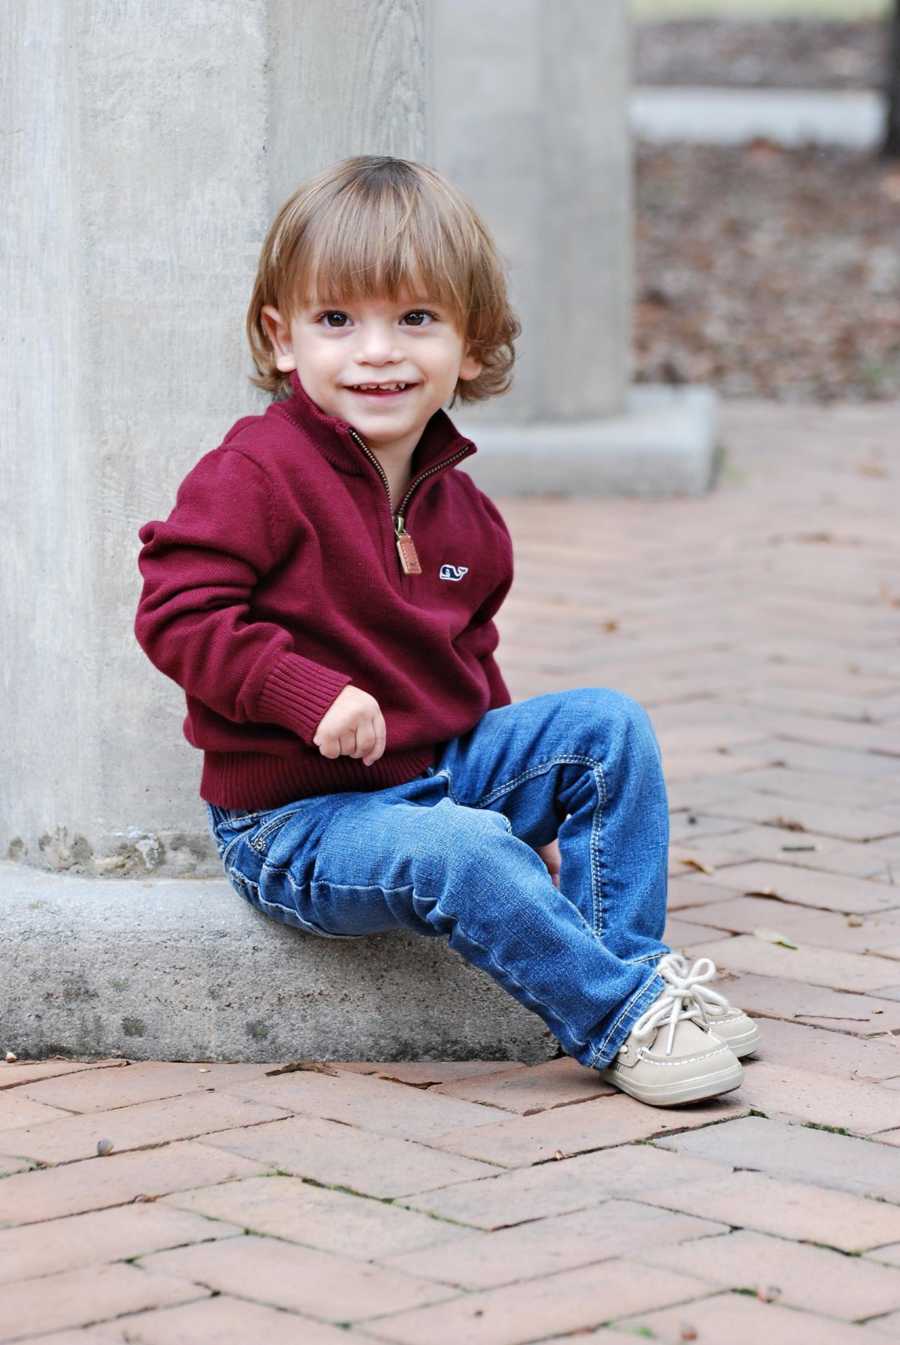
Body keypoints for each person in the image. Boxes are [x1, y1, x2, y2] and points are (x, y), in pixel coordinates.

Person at [134, 154, 759, 1107]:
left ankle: (633, 972)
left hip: (436, 774)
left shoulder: (465, 515)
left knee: (606, 728)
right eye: (337, 320)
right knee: (461, 852)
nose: (377, 350)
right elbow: (177, 609)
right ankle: (616, 1019)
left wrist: (521, 811)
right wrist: (307, 691)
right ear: (284, 337)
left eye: (415, 318)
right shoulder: (257, 471)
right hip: (299, 823)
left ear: (471, 346)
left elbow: (468, 668)